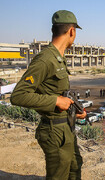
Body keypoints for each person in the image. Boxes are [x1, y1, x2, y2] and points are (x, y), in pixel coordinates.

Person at [10, 10, 86, 180]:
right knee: (58, 176)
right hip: (54, 131)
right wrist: (56, 101)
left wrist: (75, 109)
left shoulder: (58, 58)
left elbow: (57, 92)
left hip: (66, 127)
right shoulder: (45, 59)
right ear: (72, 31)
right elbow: (18, 96)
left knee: (75, 168)